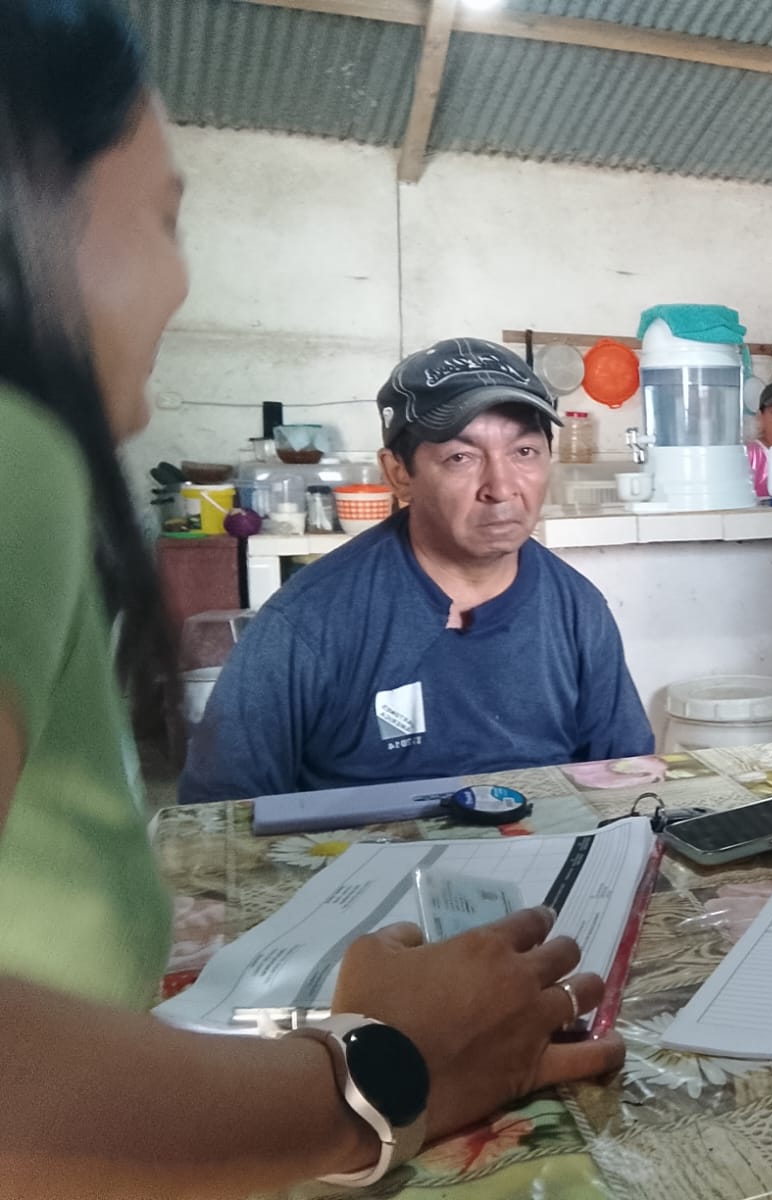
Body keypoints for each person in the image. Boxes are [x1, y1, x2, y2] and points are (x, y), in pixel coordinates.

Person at [0, 5, 621, 1194]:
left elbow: (624, 789)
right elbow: (222, 844)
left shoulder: (578, 610)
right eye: (164, 217)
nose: (181, 279)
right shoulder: (25, 464)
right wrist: (372, 1082)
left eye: (527, 452)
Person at [180, 337, 654, 805]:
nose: (501, 487)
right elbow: (216, 815)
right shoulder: (308, 622)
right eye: (461, 457)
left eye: (524, 452)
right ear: (399, 474)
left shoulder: (576, 609)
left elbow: (628, 778)